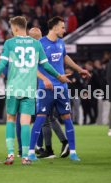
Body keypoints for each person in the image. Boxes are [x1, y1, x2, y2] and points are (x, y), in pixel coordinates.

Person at [0, 16, 71, 165]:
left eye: (11, 28)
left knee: (10, 119)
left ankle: (10, 155)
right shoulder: (36, 44)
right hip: (29, 89)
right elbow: (47, 66)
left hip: (13, 89)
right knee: (25, 122)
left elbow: (1, 65)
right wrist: (58, 76)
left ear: (15, 28)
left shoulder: (9, 43)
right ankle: (26, 157)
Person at [28, 16, 90, 162]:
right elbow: (32, 66)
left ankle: (73, 152)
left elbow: (65, 57)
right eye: (62, 27)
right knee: (41, 118)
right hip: (46, 88)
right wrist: (44, 80)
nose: (64, 29)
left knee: (67, 118)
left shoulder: (61, 42)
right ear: (54, 28)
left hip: (62, 87)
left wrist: (79, 69)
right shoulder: (40, 44)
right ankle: (31, 152)